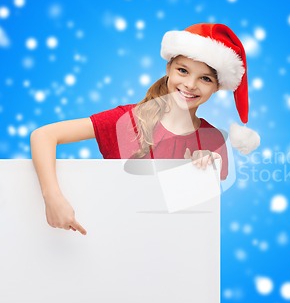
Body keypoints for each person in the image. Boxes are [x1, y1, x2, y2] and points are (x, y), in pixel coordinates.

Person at [30, 23, 260, 236]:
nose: (190, 84)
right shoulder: (127, 120)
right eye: (183, 70)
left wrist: (202, 171)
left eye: (205, 78)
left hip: (165, 260)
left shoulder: (214, 142)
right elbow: (44, 136)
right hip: (109, 241)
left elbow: (193, 223)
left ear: (217, 87)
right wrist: (53, 198)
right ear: (169, 67)